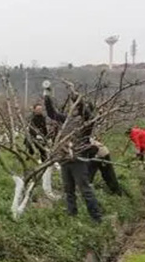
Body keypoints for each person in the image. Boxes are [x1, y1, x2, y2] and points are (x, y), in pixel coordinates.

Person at [43, 89, 102, 223]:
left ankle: (96, 218)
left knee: (85, 190)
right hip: (64, 158)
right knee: (68, 190)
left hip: (78, 159)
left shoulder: (87, 122)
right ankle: (72, 215)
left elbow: (86, 112)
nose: (73, 109)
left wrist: (77, 100)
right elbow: (52, 114)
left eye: (76, 107)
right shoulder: (68, 120)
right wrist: (47, 97)